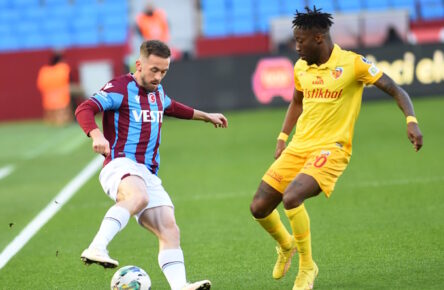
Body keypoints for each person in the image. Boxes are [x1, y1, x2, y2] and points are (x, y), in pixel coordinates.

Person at [249, 7, 423, 290]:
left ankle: (307, 267)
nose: (296, 47)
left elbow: (395, 89)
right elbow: (296, 102)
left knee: (292, 197)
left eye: (300, 41)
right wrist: (282, 136)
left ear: (318, 38)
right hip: (299, 146)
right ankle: (285, 245)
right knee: (258, 207)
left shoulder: (353, 64)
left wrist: (411, 120)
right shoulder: (301, 67)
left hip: (332, 149)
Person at [75, 40, 227, 290]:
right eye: (154, 70)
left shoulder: (158, 91)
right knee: (138, 196)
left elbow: (172, 107)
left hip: (147, 171)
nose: (158, 76)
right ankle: (96, 247)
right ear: (139, 64)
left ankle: (180, 286)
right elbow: (85, 108)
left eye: (164, 71)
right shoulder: (120, 88)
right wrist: (96, 135)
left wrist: (206, 116)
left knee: (169, 228)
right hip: (120, 163)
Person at [36, 51, 72, 126]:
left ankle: (54, 121)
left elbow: (40, 84)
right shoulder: (63, 68)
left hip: (48, 95)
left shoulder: (45, 71)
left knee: (51, 113)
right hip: (62, 94)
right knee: (62, 111)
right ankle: (63, 120)